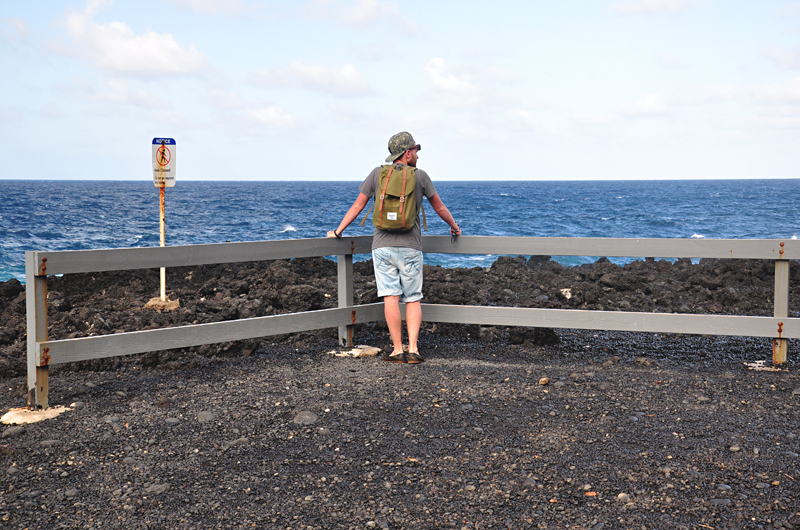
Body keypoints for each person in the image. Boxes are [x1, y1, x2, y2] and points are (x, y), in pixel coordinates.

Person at [327, 132, 461, 364]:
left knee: (390, 297)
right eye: (416, 150)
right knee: (413, 299)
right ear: (407, 153)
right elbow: (439, 207)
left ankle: (397, 350)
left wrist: (338, 232)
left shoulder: (377, 174)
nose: (418, 155)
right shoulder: (421, 177)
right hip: (410, 247)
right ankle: (414, 349)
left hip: (382, 247)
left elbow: (358, 204)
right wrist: (455, 227)